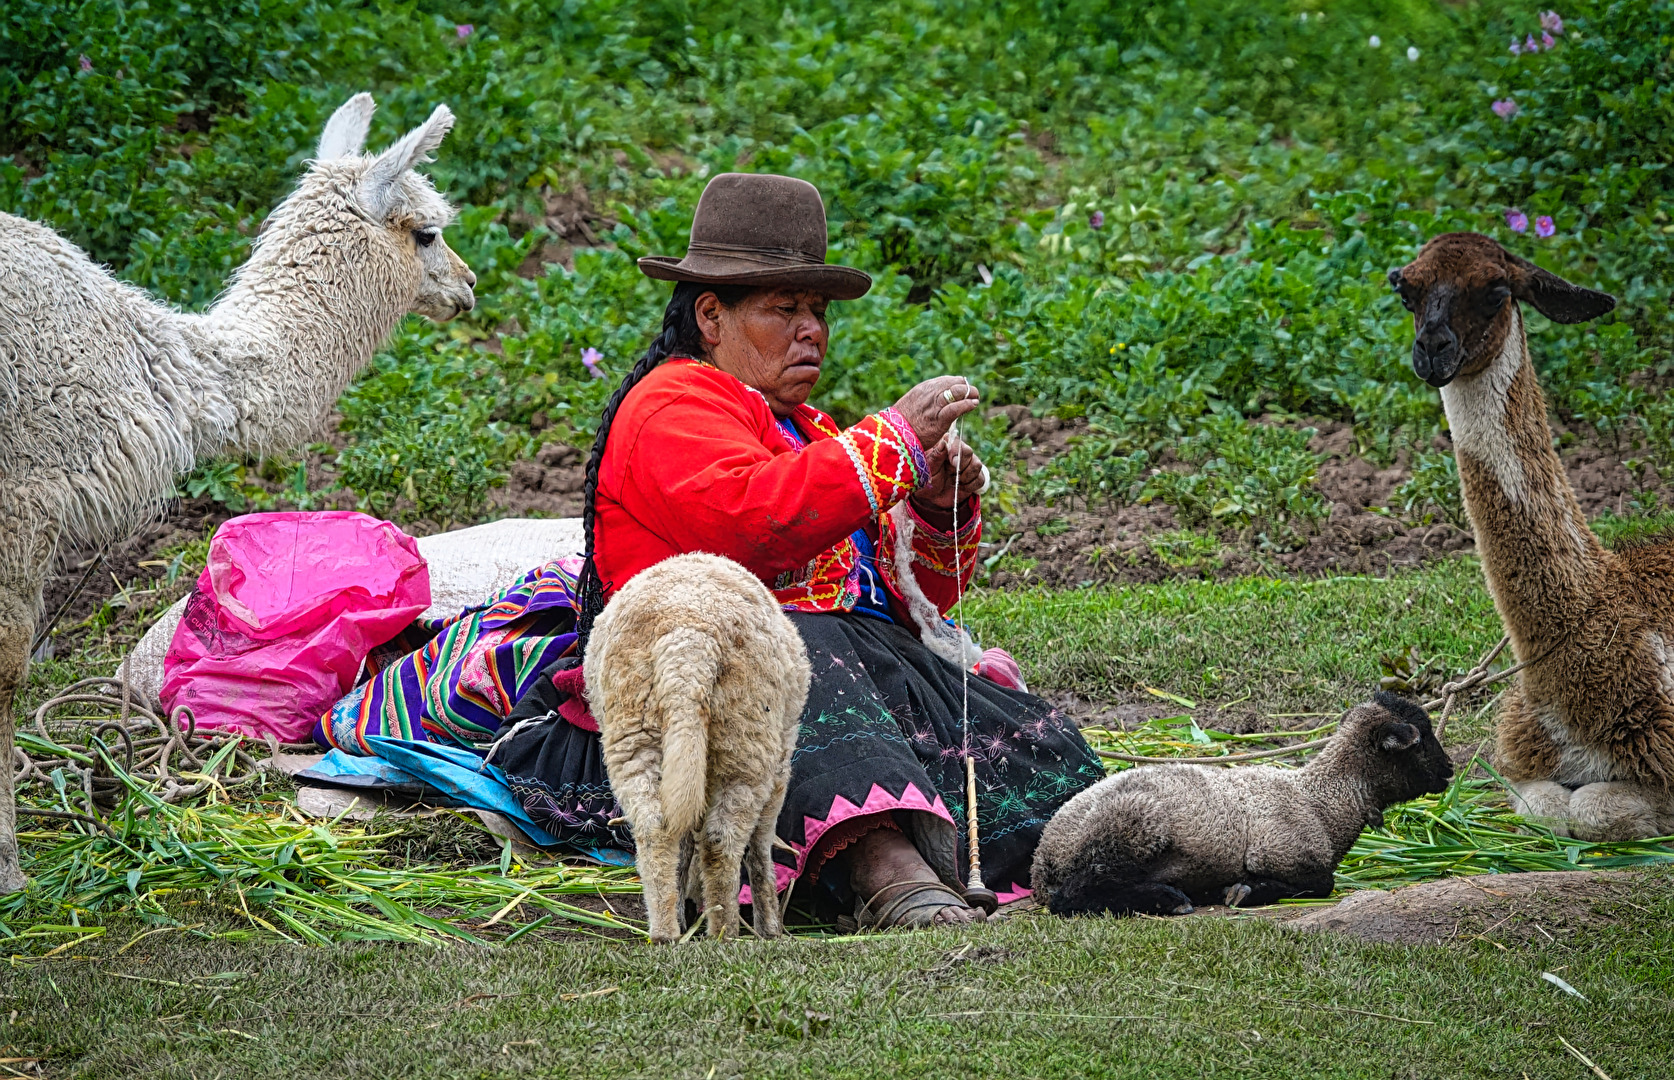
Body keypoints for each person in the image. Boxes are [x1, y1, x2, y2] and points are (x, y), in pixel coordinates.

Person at [564, 173, 1105, 928]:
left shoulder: (806, 429)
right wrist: (894, 439)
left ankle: (1076, 854)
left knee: (1031, 739)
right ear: (711, 316)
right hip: (708, 680)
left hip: (845, 660)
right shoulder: (668, 405)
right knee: (788, 650)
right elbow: (754, 524)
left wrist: (933, 502)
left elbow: (909, 596)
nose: (811, 329)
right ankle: (889, 874)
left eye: (816, 310)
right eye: (783, 309)